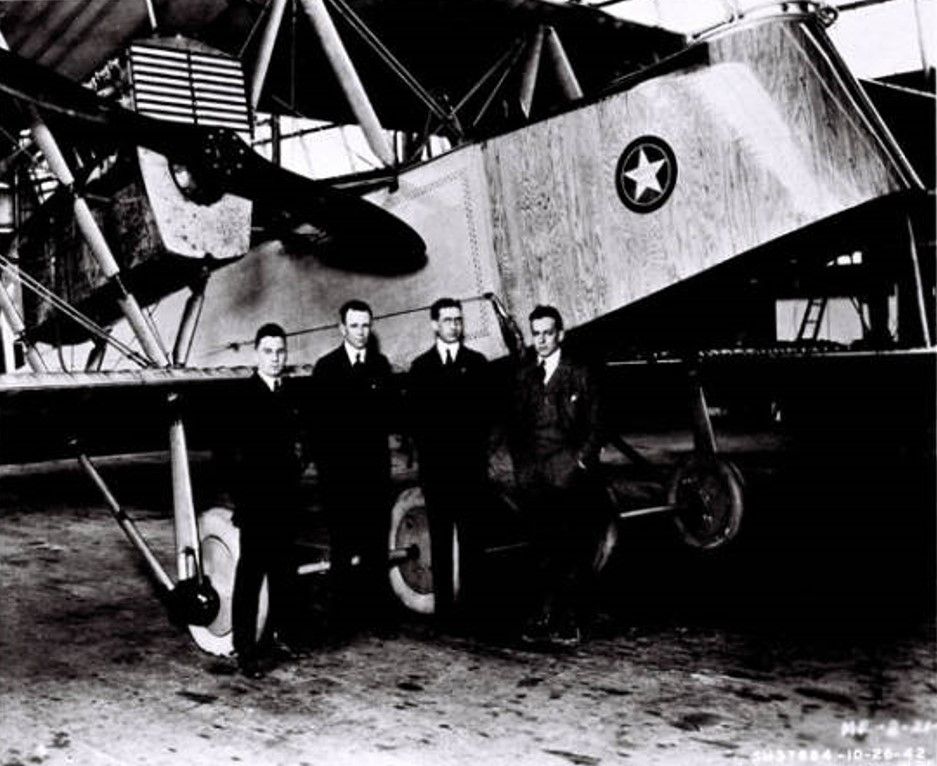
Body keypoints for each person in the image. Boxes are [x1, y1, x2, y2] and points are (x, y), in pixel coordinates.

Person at [509, 305, 607, 648]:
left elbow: (597, 426)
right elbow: (515, 427)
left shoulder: (579, 374)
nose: (541, 340)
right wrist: (523, 470)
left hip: (568, 477)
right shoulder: (525, 376)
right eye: (536, 334)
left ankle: (571, 621)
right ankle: (545, 617)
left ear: (560, 335)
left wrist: (579, 464)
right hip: (535, 479)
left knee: (572, 551)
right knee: (541, 551)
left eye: (548, 333)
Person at [311, 299, 395, 636]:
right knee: (343, 549)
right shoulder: (326, 369)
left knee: (375, 549)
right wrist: (329, 477)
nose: (361, 332)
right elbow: (317, 429)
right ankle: (342, 619)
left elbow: (387, 417)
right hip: (341, 480)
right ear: (341, 328)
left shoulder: (380, 366)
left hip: (374, 477)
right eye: (355, 326)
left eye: (365, 326)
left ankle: (378, 617)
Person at [228, 322, 307, 678]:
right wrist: (243, 501)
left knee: (283, 576)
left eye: (280, 352)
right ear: (256, 354)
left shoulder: (289, 394)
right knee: (250, 579)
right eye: (268, 352)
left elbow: (299, 444)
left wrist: (297, 468)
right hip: (257, 508)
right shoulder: (243, 398)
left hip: (286, 505)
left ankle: (280, 636)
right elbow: (227, 457)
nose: (275, 358)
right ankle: (245, 650)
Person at [407, 297, 491, 627]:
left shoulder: (478, 364)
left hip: (470, 471)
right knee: (440, 542)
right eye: (447, 320)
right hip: (438, 473)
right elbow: (416, 422)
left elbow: (486, 417)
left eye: (458, 320)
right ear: (434, 324)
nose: (454, 326)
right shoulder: (421, 368)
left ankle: (474, 609)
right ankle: (444, 612)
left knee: (473, 542)